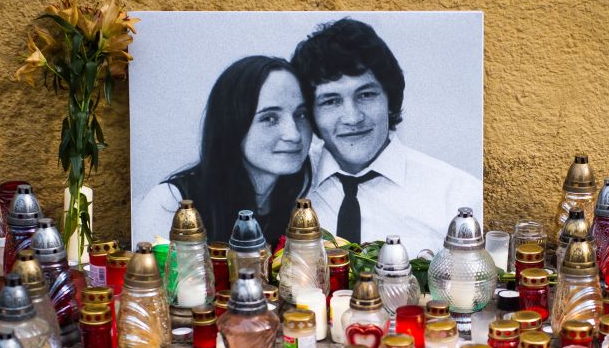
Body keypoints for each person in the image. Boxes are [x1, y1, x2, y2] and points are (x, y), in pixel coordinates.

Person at [291, 18, 482, 255]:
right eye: (331, 101)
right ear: (311, 113)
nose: (352, 118)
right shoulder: (285, 187)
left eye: (366, 95)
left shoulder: (460, 198)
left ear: (389, 98)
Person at [134, 56, 312, 246]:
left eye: (301, 114)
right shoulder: (170, 204)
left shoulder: (305, 201)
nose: (294, 134)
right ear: (231, 123)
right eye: (269, 118)